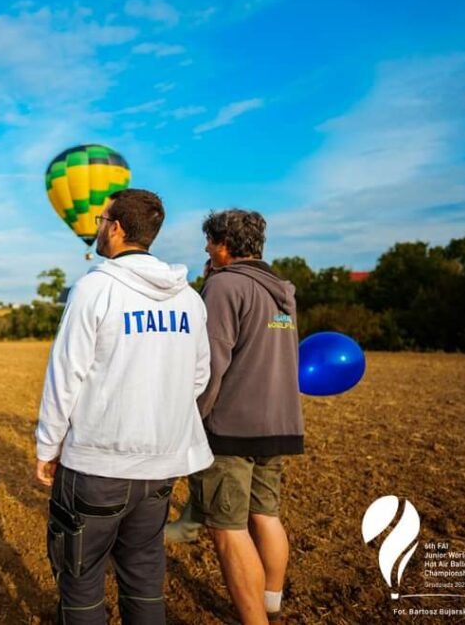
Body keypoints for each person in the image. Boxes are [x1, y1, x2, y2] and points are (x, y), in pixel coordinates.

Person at [34, 189, 214, 624]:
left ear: (115, 227)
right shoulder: (188, 298)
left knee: (81, 577)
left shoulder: (94, 289)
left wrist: (47, 447)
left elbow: (66, 377)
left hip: (97, 465)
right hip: (161, 465)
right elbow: (198, 376)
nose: (97, 227)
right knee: (144, 573)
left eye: (101, 219)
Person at [184, 209, 303, 625]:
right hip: (280, 423)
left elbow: (211, 364)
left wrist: (191, 420)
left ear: (224, 245)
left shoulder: (224, 286)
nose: (205, 248)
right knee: (265, 515)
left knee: (227, 529)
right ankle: (271, 605)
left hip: (231, 428)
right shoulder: (281, 291)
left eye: (210, 241)